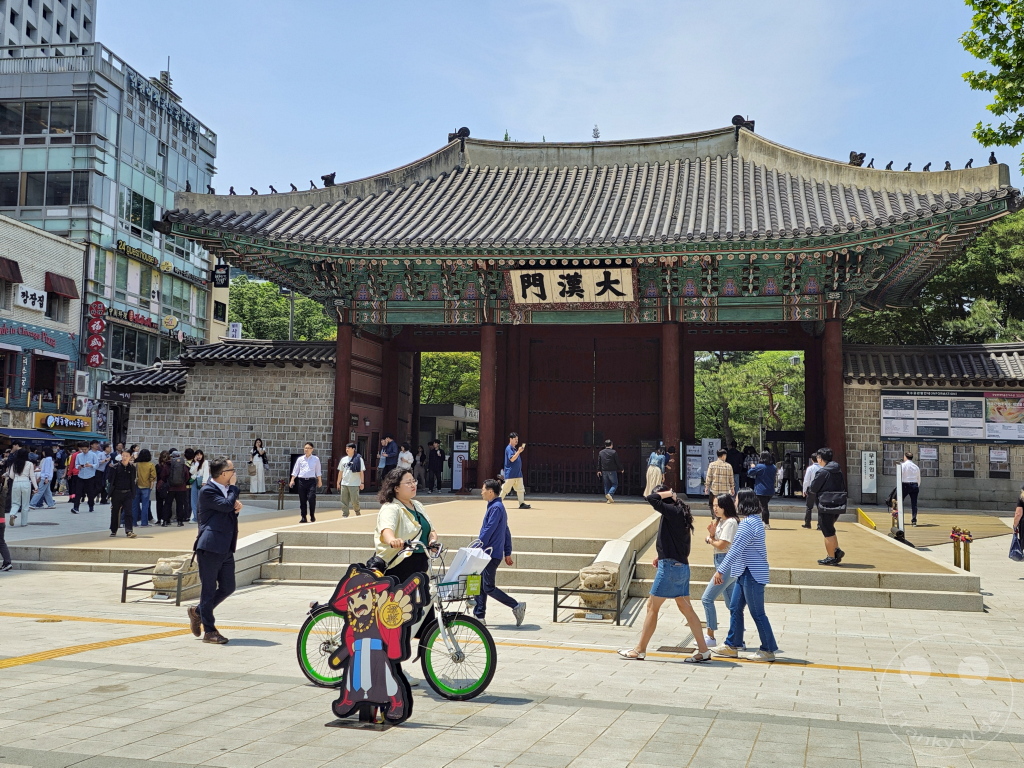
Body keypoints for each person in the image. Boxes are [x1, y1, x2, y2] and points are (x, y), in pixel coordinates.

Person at [618, 485, 710, 663]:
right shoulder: (678, 512)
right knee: (686, 608)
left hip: (670, 568)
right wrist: (661, 556)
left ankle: (639, 650)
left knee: (653, 606)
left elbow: (651, 498)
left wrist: (670, 494)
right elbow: (677, 543)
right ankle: (704, 650)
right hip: (679, 566)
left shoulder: (673, 511)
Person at [711, 488, 778, 662]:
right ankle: (732, 644)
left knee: (757, 613)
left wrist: (720, 570)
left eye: (736, 500)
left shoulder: (748, 524)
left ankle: (768, 650)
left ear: (744, 503)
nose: (734, 503)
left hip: (752, 574)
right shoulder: (753, 521)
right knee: (735, 607)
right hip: (744, 572)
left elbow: (733, 551)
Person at [187, 456, 242, 645]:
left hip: (225, 547)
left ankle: (198, 612)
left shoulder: (224, 490)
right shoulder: (208, 490)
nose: (234, 474)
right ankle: (209, 631)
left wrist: (235, 510)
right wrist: (234, 491)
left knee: (228, 587)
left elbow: (226, 510)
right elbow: (225, 506)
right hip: (210, 547)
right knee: (209, 590)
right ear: (224, 474)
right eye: (232, 470)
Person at [474, 478, 527, 626]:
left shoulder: (496, 508)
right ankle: (479, 615)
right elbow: (506, 531)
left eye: (483, 489)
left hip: (490, 553)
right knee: (480, 583)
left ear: (491, 492)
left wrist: (477, 545)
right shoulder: (496, 507)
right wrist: (507, 551)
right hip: (489, 552)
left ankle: (516, 606)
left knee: (488, 587)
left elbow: (488, 530)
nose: (482, 492)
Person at [376, 467, 438, 583]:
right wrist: (393, 540)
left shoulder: (417, 505)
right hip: (400, 564)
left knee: (423, 598)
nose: (413, 485)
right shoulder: (391, 507)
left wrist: (432, 541)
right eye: (408, 483)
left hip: (421, 563)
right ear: (396, 488)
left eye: (413, 481)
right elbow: (386, 530)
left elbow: (431, 530)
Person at [700, 493, 739, 648]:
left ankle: (710, 635)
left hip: (726, 563)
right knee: (731, 605)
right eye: (714, 505)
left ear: (726, 506)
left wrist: (710, 539)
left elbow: (722, 545)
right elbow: (716, 541)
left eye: (718, 505)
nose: (715, 508)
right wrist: (711, 533)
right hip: (721, 562)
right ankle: (737, 637)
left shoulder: (730, 522)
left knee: (707, 599)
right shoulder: (721, 521)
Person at [809, 447, 847, 566]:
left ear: (820, 458)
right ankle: (836, 551)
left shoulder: (823, 472)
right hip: (837, 502)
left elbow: (814, 488)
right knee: (830, 528)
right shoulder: (838, 470)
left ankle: (831, 557)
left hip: (826, 503)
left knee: (827, 530)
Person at [108, 449, 137, 538]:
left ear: (130, 457)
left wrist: (133, 493)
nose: (124, 458)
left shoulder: (132, 468)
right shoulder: (115, 467)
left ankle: (129, 530)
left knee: (129, 512)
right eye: (123, 456)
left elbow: (133, 481)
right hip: (117, 492)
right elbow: (110, 480)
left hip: (128, 492)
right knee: (115, 512)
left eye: (126, 456)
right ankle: (113, 530)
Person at [290, 442, 322, 523]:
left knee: (311, 498)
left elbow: (318, 471)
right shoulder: (300, 459)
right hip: (301, 481)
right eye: (305, 448)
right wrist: (292, 479)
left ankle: (312, 515)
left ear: (312, 449)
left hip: (311, 481)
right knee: (302, 500)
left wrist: (319, 480)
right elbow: (295, 470)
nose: (306, 450)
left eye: (308, 448)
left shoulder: (316, 459)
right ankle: (303, 516)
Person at [500, 432, 531, 509]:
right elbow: (512, 459)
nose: (516, 441)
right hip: (511, 473)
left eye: (517, 439)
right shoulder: (509, 448)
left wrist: (518, 451)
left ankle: (521, 503)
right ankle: (498, 502)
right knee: (505, 489)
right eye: (515, 439)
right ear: (511, 439)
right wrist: (519, 452)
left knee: (520, 489)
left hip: (518, 473)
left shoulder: (514, 449)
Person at [6, 449, 36, 527]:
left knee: (15, 503)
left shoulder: (14, 463)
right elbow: (32, 476)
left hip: (16, 483)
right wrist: (36, 487)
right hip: (26, 483)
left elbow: (11, 476)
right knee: (25, 504)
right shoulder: (29, 464)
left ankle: (12, 514)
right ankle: (23, 523)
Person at [747, 451, 777, 528]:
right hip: (770, 490)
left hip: (761, 490)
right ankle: (762, 522)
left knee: (764, 507)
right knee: (763, 506)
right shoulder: (773, 467)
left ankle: (766, 523)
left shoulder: (760, 466)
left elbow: (750, 473)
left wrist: (753, 467)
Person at [337, 442, 364, 517]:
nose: (347, 449)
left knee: (355, 501)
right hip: (344, 483)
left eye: (349, 448)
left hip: (354, 483)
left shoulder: (359, 459)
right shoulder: (343, 459)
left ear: (353, 449)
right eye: (346, 448)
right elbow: (340, 471)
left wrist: (362, 482)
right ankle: (345, 513)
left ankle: (357, 512)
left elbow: (361, 472)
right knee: (344, 501)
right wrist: (338, 482)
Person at [75, 440, 103, 514]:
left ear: (88, 448)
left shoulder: (93, 455)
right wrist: (79, 466)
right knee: (78, 492)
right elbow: (76, 465)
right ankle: (76, 507)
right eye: (82, 449)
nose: (84, 451)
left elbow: (96, 465)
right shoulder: (79, 455)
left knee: (90, 492)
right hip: (81, 475)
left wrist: (90, 465)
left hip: (90, 476)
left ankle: (91, 506)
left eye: (85, 449)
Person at [168, 449, 191, 526]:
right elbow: (187, 476)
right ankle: (180, 521)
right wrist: (183, 482)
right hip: (181, 488)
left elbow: (166, 475)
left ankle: (166, 520)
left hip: (171, 488)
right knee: (180, 504)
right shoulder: (183, 465)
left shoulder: (170, 464)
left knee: (168, 504)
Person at [133, 449, 156, 527]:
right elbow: (153, 477)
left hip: (136, 486)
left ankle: (134, 522)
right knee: (145, 506)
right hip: (146, 486)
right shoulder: (150, 465)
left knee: (135, 505)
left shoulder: (136, 464)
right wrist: (151, 486)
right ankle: (144, 522)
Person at [900, 451, 921, 526]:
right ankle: (914, 520)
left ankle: (899, 518)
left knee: (899, 501)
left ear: (905, 457)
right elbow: (919, 478)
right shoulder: (916, 466)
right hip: (914, 484)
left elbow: (900, 475)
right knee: (914, 503)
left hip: (905, 484)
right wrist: (917, 485)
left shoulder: (903, 465)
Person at [190, 449, 210, 523]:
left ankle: (201, 517)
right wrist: (196, 464)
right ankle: (195, 517)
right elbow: (191, 471)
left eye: (200, 455)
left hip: (201, 481)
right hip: (194, 481)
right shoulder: (194, 463)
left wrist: (204, 482)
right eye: (197, 455)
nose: (199, 456)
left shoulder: (205, 462)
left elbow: (206, 473)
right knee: (193, 499)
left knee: (201, 499)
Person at [802, 453, 821, 529]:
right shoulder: (823, 468)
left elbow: (806, 480)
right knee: (820, 508)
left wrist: (804, 490)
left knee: (809, 507)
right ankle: (820, 525)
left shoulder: (810, 468)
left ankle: (807, 523)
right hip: (820, 490)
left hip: (811, 489)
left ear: (812, 460)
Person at [155, 450, 172, 526]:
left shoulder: (157, 466)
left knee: (159, 502)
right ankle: (167, 519)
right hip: (168, 485)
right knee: (168, 503)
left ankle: (159, 519)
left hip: (159, 485)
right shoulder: (170, 466)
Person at [66, 443, 83, 513]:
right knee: (75, 487)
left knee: (76, 487)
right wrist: (69, 473)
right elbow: (71, 465)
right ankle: (75, 499)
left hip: (81, 473)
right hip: (76, 473)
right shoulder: (75, 455)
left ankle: (76, 498)